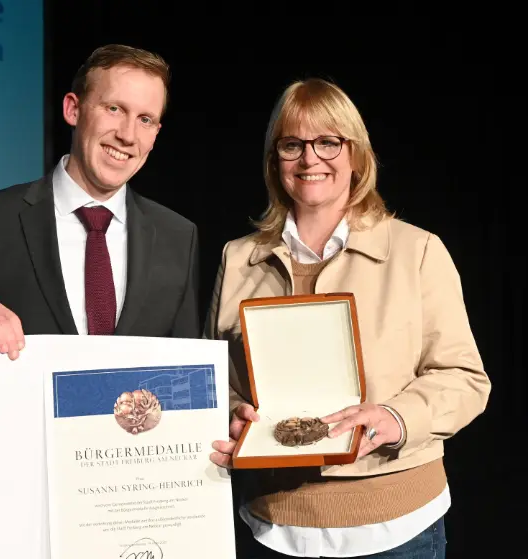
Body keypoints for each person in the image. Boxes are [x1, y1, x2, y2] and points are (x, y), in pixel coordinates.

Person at [206, 78, 490, 558]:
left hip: (396, 531)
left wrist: (394, 418)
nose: (310, 159)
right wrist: (234, 415)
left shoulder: (417, 251)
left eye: (328, 142)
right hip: (273, 528)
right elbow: (217, 381)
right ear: (275, 160)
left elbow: (465, 378)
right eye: (292, 145)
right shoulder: (238, 259)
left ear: (356, 154)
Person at [0, 44, 200, 354]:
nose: (128, 135)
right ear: (73, 109)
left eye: (145, 120)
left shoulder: (178, 238)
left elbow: (191, 366)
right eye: (114, 109)